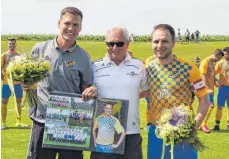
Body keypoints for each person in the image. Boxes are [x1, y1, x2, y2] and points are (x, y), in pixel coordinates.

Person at [23, 7, 97, 159]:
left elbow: (85, 88)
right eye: (67, 23)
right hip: (42, 120)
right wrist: (26, 84)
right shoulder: (40, 48)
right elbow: (29, 79)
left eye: (76, 25)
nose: (71, 28)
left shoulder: (84, 57)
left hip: (71, 124)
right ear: (59, 23)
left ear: (80, 28)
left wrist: (91, 91)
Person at [145, 24, 210, 159]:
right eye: (156, 41)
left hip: (183, 134)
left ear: (173, 43)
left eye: (165, 41)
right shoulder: (147, 66)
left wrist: (194, 125)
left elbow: (204, 99)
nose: (159, 45)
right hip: (156, 133)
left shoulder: (188, 67)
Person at [91, 25, 148, 159]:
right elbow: (84, 93)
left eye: (119, 43)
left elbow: (146, 91)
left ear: (127, 44)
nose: (114, 48)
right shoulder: (95, 67)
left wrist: (126, 102)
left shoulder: (139, 66)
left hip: (131, 133)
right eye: (110, 44)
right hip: (103, 133)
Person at [1, 38, 28, 130]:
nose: (11, 45)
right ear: (8, 45)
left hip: (17, 83)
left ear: (16, 45)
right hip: (6, 83)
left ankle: (19, 121)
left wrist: (22, 80)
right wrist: (2, 76)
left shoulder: (19, 56)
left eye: (13, 44)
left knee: (18, 101)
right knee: (4, 101)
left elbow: (22, 69)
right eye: (10, 44)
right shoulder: (3, 55)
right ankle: (3, 123)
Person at [199, 49, 224, 133]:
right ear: (216, 55)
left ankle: (200, 123)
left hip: (210, 88)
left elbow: (211, 75)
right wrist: (208, 88)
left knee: (209, 106)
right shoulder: (205, 62)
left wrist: (216, 81)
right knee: (210, 105)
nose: (219, 60)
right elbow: (203, 75)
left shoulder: (213, 63)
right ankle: (203, 124)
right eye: (219, 58)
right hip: (206, 89)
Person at [212, 47, 229, 131]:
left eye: (225, 54)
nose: (224, 56)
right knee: (219, 107)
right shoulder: (220, 63)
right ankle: (217, 124)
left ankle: (228, 125)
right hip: (222, 89)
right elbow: (213, 73)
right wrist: (215, 81)